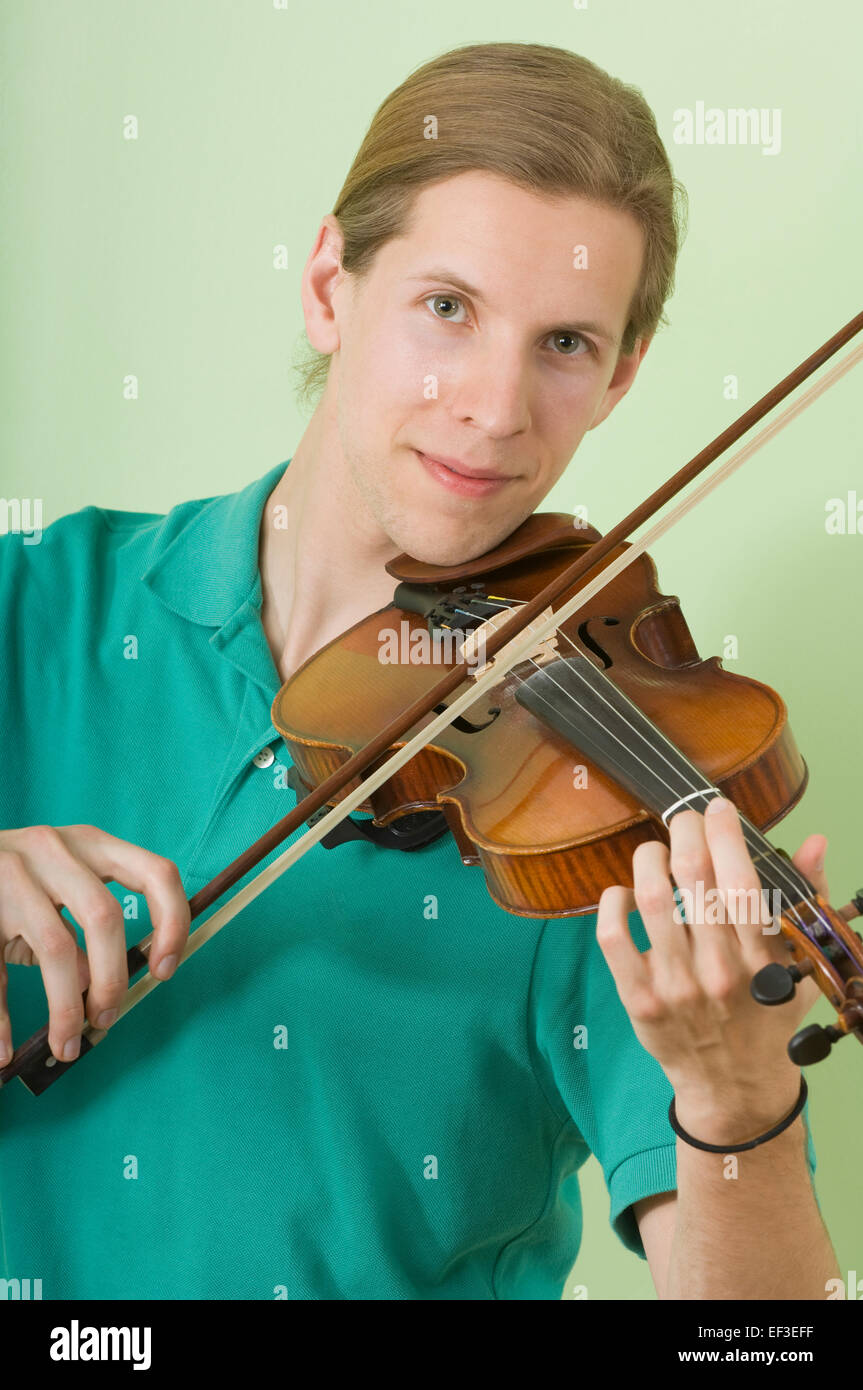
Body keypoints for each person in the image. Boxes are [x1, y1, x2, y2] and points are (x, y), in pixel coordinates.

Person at [0, 41, 839, 1301]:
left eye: (562, 342)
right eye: (447, 308)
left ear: (620, 376)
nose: (495, 405)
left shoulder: (614, 817)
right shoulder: (38, 607)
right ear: (331, 285)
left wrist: (735, 1103)